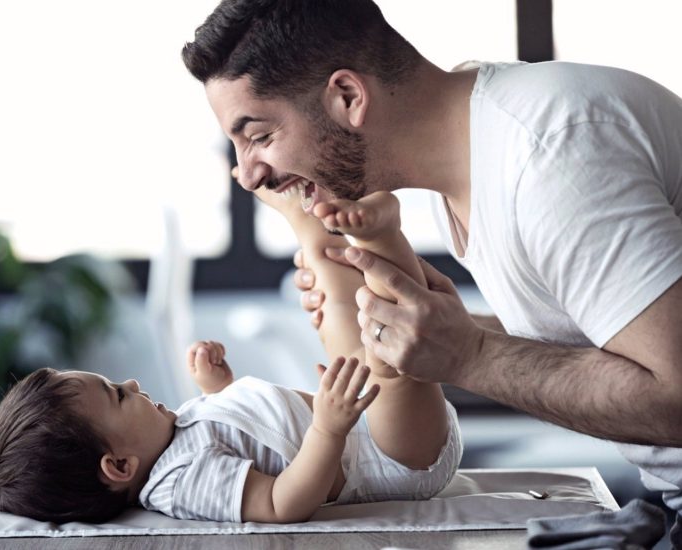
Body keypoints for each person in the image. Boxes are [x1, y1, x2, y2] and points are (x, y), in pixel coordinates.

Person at [181, 0, 682, 539]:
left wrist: (469, 354)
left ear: (347, 96)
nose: (248, 175)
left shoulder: (548, 156)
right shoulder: (475, 148)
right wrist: (446, 327)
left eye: (257, 135)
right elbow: (618, 340)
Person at [0, 189, 461, 524]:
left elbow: (245, 436)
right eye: (118, 396)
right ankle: (383, 236)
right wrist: (327, 427)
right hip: (395, 461)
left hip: (363, 426)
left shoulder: (171, 436)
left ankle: (310, 221)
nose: (131, 384)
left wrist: (218, 388)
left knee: (342, 312)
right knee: (390, 354)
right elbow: (280, 502)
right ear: (120, 467)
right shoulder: (180, 482)